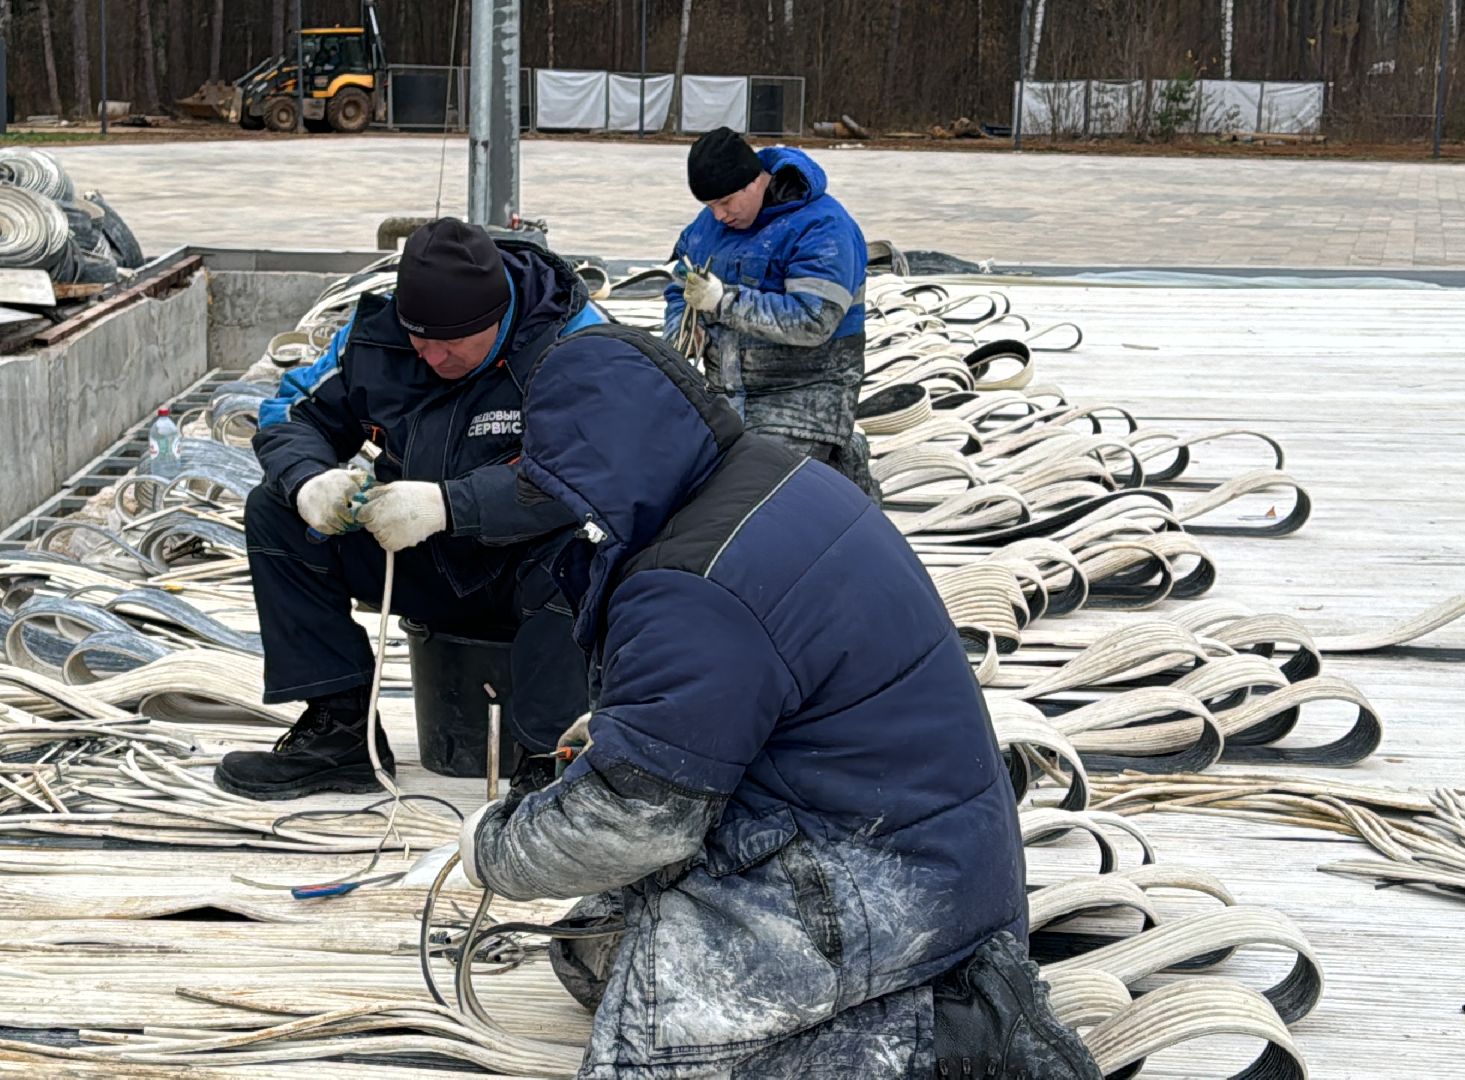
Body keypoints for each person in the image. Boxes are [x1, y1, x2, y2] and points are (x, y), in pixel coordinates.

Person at [455, 324, 1099, 1079]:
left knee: (644, 1055)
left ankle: (944, 1035)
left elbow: (635, 822)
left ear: (600, 470)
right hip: (938, 854)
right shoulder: (776, 477)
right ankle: (936, 995)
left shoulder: (690, 587)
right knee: (594, 953)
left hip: (891, 891)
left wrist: (493, 848)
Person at [215, 219, 607, 801]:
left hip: (526, 565)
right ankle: (342, 733)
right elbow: (292, 412)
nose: (432, 357)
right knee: (274, 512)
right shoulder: (375, 335)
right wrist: (310, 482)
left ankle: (550, 760)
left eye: (452, 343)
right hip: (417, 553)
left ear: (496, 318)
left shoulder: (579, 343)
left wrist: (450, 505)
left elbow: (592, 471)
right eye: (419, 340)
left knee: (588, 555)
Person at [664, 126, 882, 500]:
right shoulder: (706, 229)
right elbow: (678, 284)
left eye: (727, 201)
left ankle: (841, 467)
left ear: (755, 182)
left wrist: (722, 301)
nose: (719, 215)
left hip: (805, 400)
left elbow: (814, 320)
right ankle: (835, 473)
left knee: (762, 499)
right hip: (729, 396)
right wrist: (682, 328)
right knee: (694, 487)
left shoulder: (822, 226)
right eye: (709, 206)